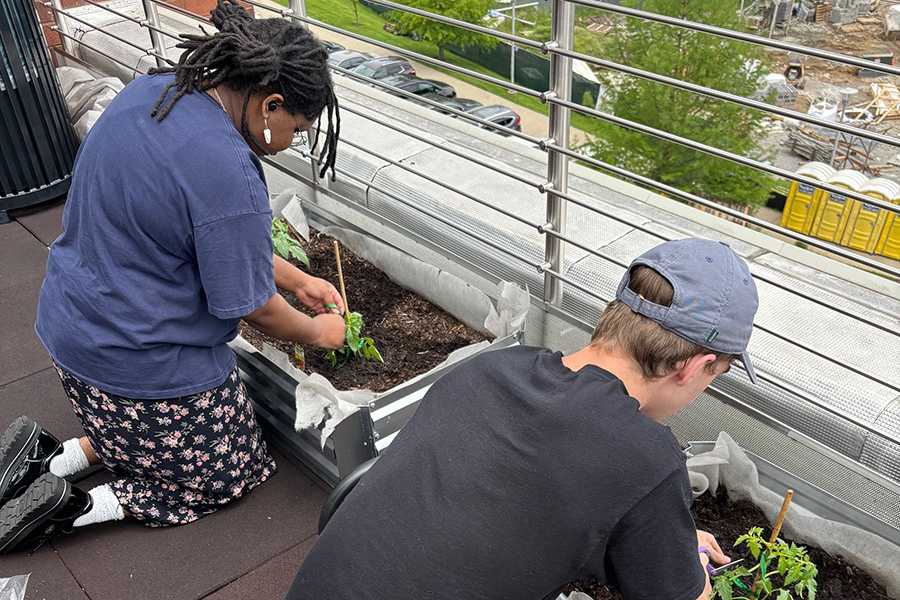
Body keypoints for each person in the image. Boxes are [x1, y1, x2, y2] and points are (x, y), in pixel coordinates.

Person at [0, 0, 346, 554]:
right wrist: (317, 331)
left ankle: (63, 456)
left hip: (70, 332)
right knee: (235, 470)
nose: (293, 142)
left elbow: (190, 231)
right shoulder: (229, 168)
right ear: (270, 103)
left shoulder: (157, 91)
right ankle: (75, 508)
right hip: (132, 357)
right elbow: (251, 306)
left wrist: (292, 278)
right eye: (297, 128)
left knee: (151, 430)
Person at [285, 238, 760, 600]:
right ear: (694, 366)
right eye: (714, 376)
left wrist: (665, 537)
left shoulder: (491, 369)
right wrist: (684, 564)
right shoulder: (645, 457)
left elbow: (500, 509)